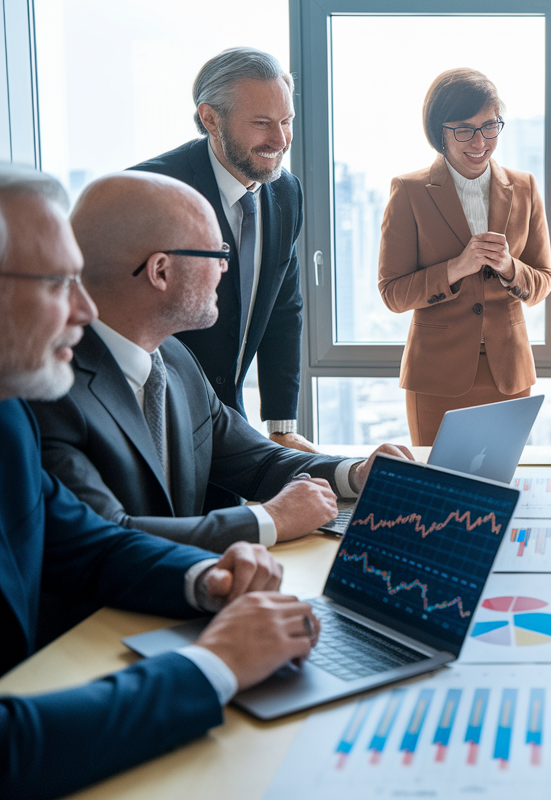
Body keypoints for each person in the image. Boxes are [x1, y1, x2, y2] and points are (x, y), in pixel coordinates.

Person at [0, 163, 321, 800]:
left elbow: (85, 541)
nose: (86, 308)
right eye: (61, 282)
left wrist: (206, 580)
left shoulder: (8, 416)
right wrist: (213, 665)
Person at [29, 172, 412, 554]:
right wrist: (270, 520)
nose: (225, 269)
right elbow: (107, 538)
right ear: (160, 271)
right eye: (217, 254)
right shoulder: (48, 389)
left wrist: (357, 474)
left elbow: (259, 462)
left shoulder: (174, 358)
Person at [131, 47, 315, 453]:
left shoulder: (286, 191)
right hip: (151, 420)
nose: (280, 140)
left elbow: (285, 307)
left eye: (287, 122)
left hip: (229, 419)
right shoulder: (150, 191)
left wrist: (281, 425)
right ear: (211, 119)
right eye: (262, 123)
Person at [378, 68, 551, 446]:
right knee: (438, 490)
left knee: (504, 488)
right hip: (436, 376)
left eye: (489, 127)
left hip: (508, 373)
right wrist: (455, 269)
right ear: (438, 131)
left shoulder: (524, 187)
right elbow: (392, 293)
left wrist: (509, 267)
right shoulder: (409, 191)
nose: (479, 141)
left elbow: (543, 282)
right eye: (463, 129)